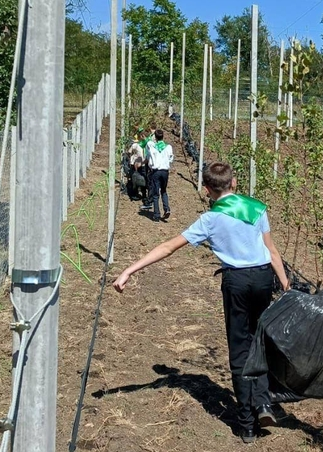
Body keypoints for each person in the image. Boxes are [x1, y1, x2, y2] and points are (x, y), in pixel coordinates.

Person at [113, 162, 290, 443]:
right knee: (260, 341)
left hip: (236, 283)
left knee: (239, 349)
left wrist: (129, 270)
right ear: (234, 183)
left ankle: (246, 425)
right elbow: (272, 250)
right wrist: (284, 283)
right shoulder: (257, 208)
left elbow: (168, 247)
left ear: (207, 190)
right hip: (262, 279)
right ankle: (264, 403)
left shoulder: (209, 219)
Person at [144, 129, 174, 221]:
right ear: (163, 136)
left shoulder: (152, 147)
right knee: (164, 191)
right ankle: (167, 209)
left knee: (155, 193)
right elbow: (171, 158)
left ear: (155, 138)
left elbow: (149, 160)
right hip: (165, 172)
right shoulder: (168, 147)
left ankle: (156, 215)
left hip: (156, 171)